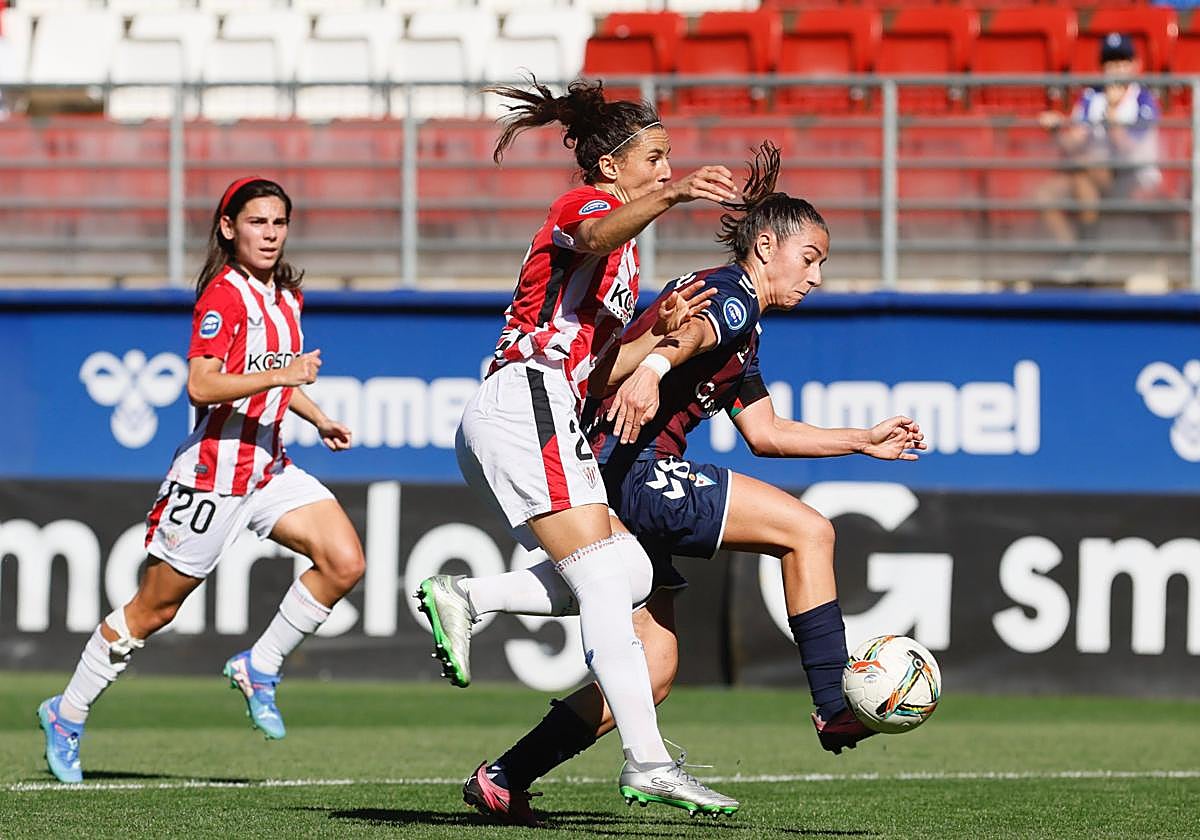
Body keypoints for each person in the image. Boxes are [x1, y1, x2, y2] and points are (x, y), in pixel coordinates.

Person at [425, 143, 926, 827]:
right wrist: (656, 367)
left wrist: (861, 440)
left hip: (608, 472)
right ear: (768, 245)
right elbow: (688, 335)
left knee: (653, 665)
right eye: (810, 258)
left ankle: (505, 776)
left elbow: (767, 432)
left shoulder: (745, 327)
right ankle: (834, 707)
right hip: (636, 469)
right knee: (809, 530)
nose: (816, 277)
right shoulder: (732, 297)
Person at [416, 76, 745, 816]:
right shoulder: (588, 206)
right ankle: (648, 760)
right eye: (655, 158)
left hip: (544, 404)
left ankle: (467, 595)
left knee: (624, 569)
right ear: (610, 167)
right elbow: (594, 234)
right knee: (603, 581)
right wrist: (678, 194)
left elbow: (596, 374)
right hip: (523, 396)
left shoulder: (625, 262)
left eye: (669, 161)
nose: (666, 168)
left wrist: (654, 340)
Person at [36, 177, 365, 783]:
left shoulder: (284, 294)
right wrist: (281, 376)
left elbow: (274, 375)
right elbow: (202, 384)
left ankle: (259, 667)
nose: (269, 234)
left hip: (269, 467)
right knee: (153, 609)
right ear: (228, 227)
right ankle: (67, 712)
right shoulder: (225, 296)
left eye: (279, 223)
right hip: (213, 477)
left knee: (344, 561)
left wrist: (317, 417)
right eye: (257, 222)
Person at [1037, 32, 1161, 277]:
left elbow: (1129, 150)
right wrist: (1056, 128)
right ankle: (1077, 254)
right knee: (1047, 194)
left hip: (1131, 175)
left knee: (1086, 166)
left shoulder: (1144, 100)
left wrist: (1113, 114)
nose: (1116, 69)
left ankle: (1088, 254)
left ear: (1136, 65)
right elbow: (1074, 142)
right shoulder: (1091, 97)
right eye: (1110, 62)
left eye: (1122, 61)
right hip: (1090, 173)